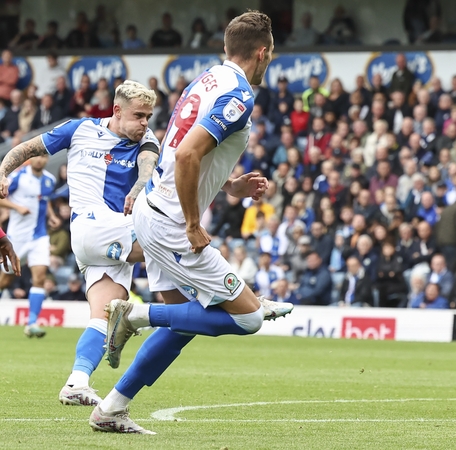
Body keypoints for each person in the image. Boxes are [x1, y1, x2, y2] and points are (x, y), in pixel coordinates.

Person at [88, 11, 292, 435]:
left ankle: (111, 408)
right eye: (270, 53)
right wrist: (194, 223)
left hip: (153, 210)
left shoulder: (206, 80)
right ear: (263, 51)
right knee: (247, 319)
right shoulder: (239, 95)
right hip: (174, 225)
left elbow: (181, 151)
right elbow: (185, 156)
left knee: (181, 321)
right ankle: (135, 316)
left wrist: (231, 186)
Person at [0, 80, 162, 404]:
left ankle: (76, 382)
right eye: (139, 115)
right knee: (174, 244)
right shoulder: (79, 129)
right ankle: (230, 294)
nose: (145, 123)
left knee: (103, 317)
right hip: (96, 225)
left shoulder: (146, 139)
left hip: (107, 234)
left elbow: (148, 167)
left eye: (149, 116)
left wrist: (138, 188)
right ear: (116, 110)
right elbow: (25, 149)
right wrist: (3, 172)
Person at [0, 154, 55, 338]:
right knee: (5, 280)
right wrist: (16, 207)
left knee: (39, 276)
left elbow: (43, 201)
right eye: (37, 156)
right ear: (31, 158)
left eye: (44, 157)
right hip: (17, 237)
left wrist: (52, 215)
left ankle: (32, 323)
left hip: (40, 236)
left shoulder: (50, 179)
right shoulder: (18, 176)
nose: (40, 160)